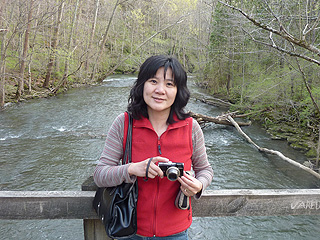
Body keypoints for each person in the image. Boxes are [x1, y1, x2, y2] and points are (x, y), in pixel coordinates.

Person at [93, 55, 213, 239]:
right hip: (129, 229)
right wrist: (132, 169)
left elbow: (205, 170)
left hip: (176, 232)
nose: (160, 90)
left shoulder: (191, 128)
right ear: (142, 85)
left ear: (178, 90)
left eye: (169, 84)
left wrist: (199, 185)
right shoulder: (124, 123)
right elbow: (100, 175)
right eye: (153, 81)